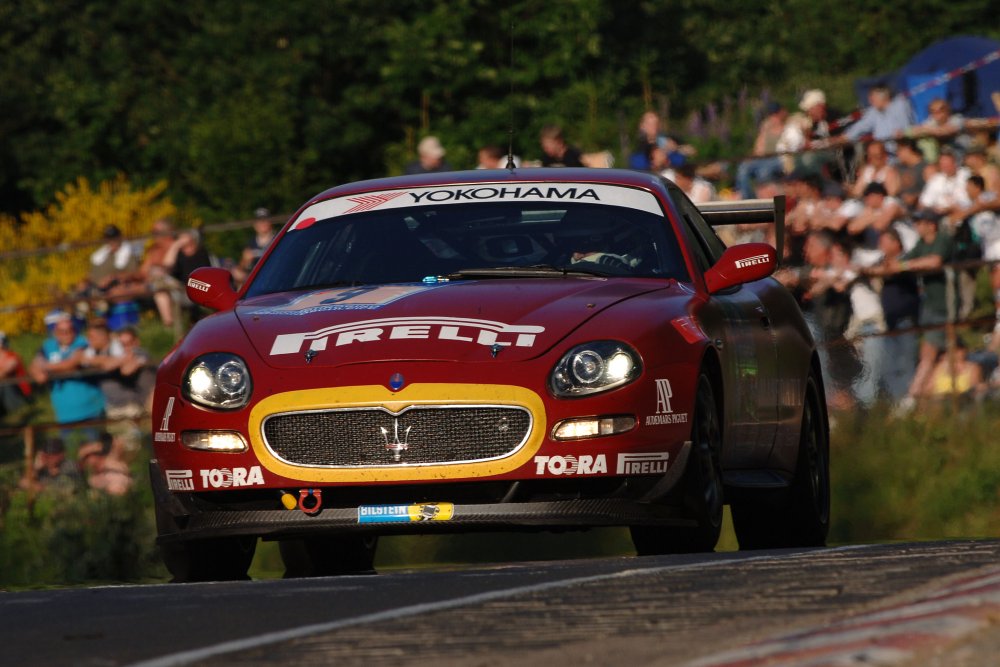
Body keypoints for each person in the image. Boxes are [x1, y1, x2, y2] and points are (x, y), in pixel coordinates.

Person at [895, 210, 955, 413]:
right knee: (935, 353)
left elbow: (935, 261)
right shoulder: (922, 244)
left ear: (931, 224)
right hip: (930, 306)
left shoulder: (942, 239)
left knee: (929, 353)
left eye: (920, 222)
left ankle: (911, 398)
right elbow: (903, 262)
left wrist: (904, 265)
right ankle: (926, 398)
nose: (917, 226)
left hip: (945, 305)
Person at [28, 312, 105, 426]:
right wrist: (37, 371)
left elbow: (72, 363)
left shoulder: (83, 342)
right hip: (64, 412)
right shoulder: (47, 346)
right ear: (55, 332)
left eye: (69, 330)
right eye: (62, 331)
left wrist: (45, 367)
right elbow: (34, 364)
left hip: (90, 409)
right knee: (71, 443)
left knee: (95, 442)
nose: (66, 334)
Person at [734, 102, 789, 198]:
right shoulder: (766, 127)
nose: (773, 117)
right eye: (772, 114)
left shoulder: (788, 127)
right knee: (743, 168)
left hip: (779, 159)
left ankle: (765, 198)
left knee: (764, 171)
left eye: (775, 114)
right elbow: (759, 148)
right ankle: (748, 198)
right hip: (764, 158)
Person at [840, 85, 915, 154]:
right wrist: (844, 137)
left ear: (884, 97)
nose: (870, 102)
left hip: (903, 152)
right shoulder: (873, 111)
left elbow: (903, 131)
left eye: (872, 99)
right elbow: (861, 126)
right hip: (885, 155)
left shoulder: (900, 105)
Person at [162, 228, 214, 324]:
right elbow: (166, 265)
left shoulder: (201, 253)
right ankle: (168, 323)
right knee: (161, 285)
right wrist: (175, 246)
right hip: (182, 289)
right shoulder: (179, 254)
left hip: (201, 288)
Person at [0, 331, 32, 420]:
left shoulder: (13, 356)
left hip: (19, 393)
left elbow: (3, 374)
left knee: (3, 383)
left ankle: (14, 412)